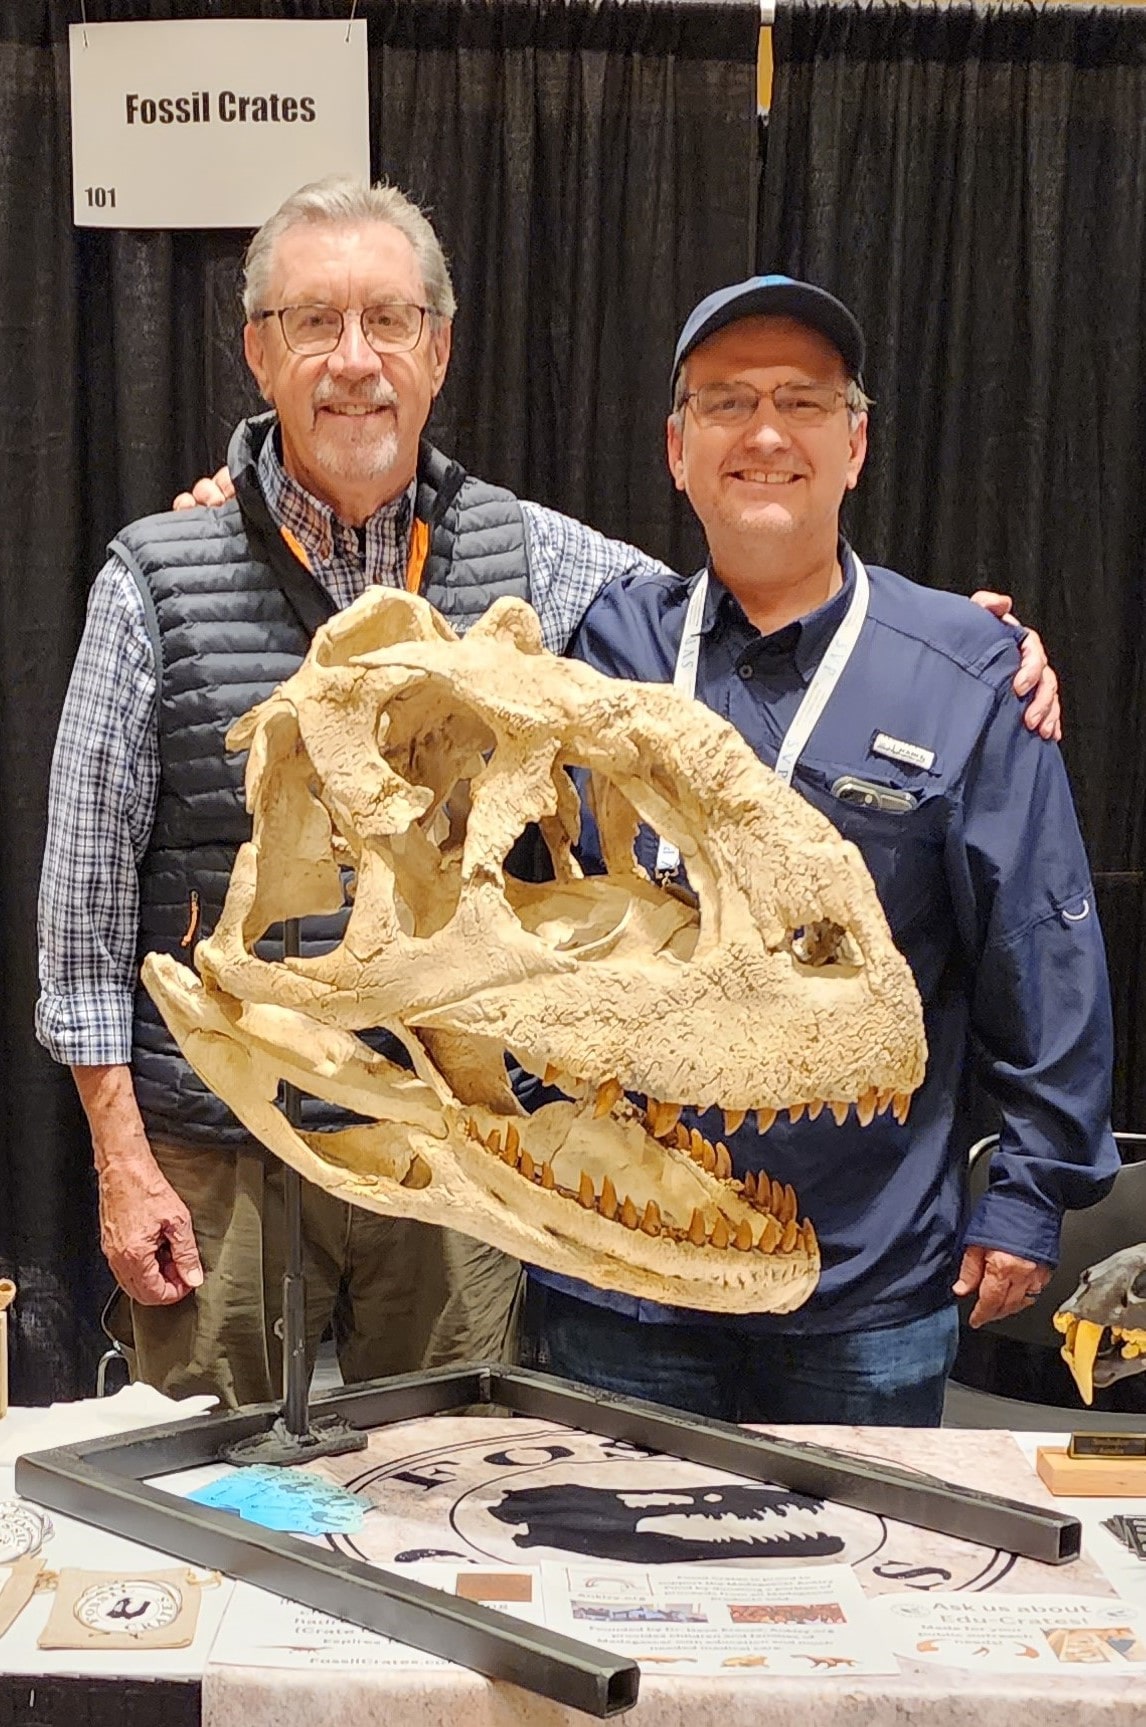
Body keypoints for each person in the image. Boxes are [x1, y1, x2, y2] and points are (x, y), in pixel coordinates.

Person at [36, 171, 1060, 1409]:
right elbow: (82, 895)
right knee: (218, 1494)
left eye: (390, 321)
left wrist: (960, 639)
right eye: (315, 323)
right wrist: (120, 1154)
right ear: (260, 354)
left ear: (441, 349)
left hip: (465, 1142)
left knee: (447, 1489)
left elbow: (749, 580)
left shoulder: (544, 557)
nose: (354, 360)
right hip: (224, 1147)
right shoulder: (156, 572)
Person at [520, 275, 1119, 1427]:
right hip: (614, 1274)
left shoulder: (967, 673)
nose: (764, 433)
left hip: (860, 1289)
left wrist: (1029, 1197)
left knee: (856, 1595)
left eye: (802, 401)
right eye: (727, 401)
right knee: (595, 1592)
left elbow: (1043, 954)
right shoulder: (598, 650)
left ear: (855, 443)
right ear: (675, 447)